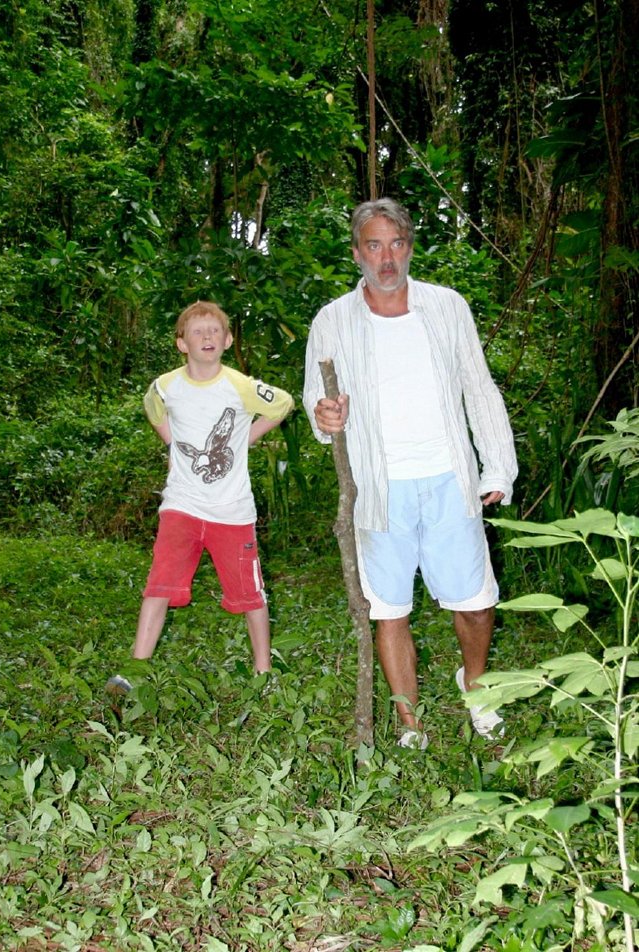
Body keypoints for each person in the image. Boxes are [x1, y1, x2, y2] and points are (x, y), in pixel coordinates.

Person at [303, 198, 517, 749]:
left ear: (410, 246)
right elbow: (317, 403)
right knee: (390, 607)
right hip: (380, 487)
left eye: (396, 243)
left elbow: (479, 387)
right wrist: (326, 418)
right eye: (374, 245)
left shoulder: (447, 307)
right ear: (357, 254)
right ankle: (410, 722)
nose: (387, 257)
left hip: (449, 476)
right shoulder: (333, 321)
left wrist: (498, 463)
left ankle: (475, 685)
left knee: (474, 600)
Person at [106, 300, 294, 694]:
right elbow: (152, 408)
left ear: (226, 340)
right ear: (182, 343)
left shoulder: (239, 385)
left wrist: (245, 440)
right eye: (197, 331)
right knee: (158, 585)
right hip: (182, 506)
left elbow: (282, 403)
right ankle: (135, 672)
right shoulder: (166, 386)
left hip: (233, 511)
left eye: (214, 331)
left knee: (250, 594)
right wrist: (173, 445)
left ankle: (263, 672)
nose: (206, 337)